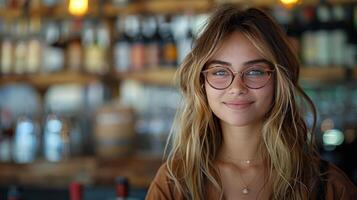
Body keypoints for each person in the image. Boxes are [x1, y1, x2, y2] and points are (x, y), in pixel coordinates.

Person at [145, 5, 357, 200]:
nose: (237, 87)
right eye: (220, 71)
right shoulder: (173, 182)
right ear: (202, 83)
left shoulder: (327, 186)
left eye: (255, 71)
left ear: (279, 81)